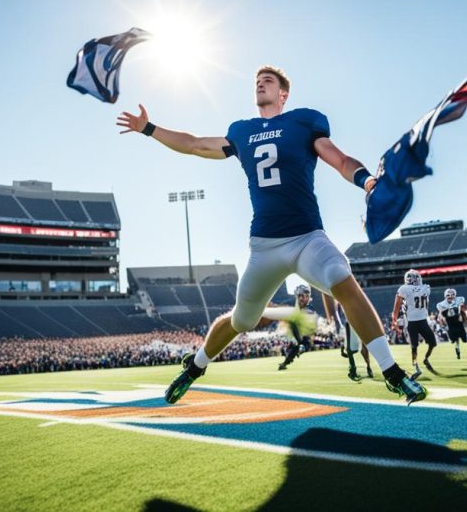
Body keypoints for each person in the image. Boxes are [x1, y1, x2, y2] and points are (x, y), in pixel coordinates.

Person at [116, 65, 426, 404]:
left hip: (307, 237)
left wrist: (367, 181)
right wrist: (148, 128)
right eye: (257, 81)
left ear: (283, 94)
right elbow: (194, 144)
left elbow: (338, 159)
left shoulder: (303, 122)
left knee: (342, 277)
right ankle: (195, 367)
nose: (260, 84)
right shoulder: (243, 131)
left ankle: (392, 373)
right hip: (265, 245)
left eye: (268, 81)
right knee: (242, 319)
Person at [392, 269, 437, 379]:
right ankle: (416, 366)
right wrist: (395, 319)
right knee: (415, 346)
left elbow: (397, 305)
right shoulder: (425, 288)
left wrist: (394, 319)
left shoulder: (405, 289)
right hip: (412, 321)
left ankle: (425, 360)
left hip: (421, 320)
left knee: (432, 343)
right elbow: (398, 305)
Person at [322, 294, 373, 381]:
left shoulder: (352, 295)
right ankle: (353, 370)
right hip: (351, 321)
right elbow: (336, 309)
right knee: (352, 348)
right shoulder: (344, 295)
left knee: (362, 347)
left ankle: (366, 367)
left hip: (357, 321)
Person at [277, 284, 315, 371]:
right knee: (301, 344)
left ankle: (286, 361)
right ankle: (293, 354)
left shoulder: (305, 307)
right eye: (300, 296)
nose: (302, 298)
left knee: (297, 346)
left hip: (299, 326)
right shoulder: (302, 305)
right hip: (298, 326)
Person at [437, 288, 467, 359]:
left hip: (457, 323)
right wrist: (442, 324)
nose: (450, 296)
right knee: (455, 340)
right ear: (445, 296)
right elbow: (440, 315)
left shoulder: (458, 302)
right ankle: (458, 349)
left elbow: (465, 311)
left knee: (463, 339)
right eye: (448, 295)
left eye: (452, 295)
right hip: (451, 324)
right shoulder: (442, 305)